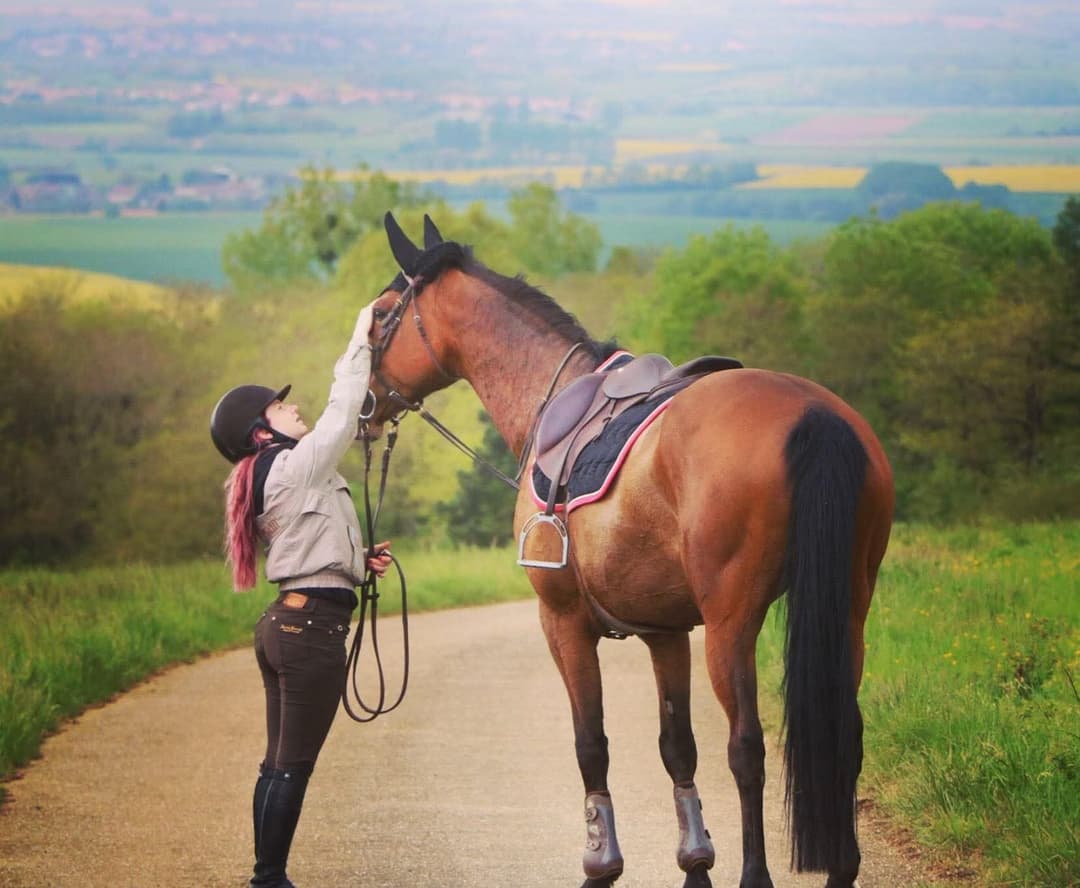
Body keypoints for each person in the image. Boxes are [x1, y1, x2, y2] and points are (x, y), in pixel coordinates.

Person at [209, 301, 392, 888]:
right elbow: (343, 414)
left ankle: (266, 874)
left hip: (289, 622)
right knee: (292, 768)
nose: (295, 407)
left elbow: (307, 540)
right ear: (262, 430)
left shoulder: (276, 472)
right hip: (308, 630)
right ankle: (270, 879)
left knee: (277, 765)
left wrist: (357, 562)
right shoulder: (290, 465)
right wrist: (359, 339)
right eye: (282, 406)